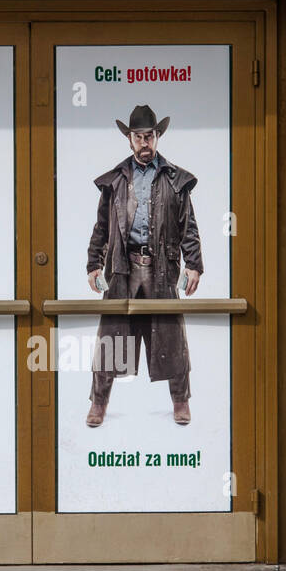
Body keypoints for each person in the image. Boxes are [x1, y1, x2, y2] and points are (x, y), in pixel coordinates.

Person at [85, 105, 203, 427]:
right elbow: (101, 226)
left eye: (149, 136)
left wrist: (193, 264)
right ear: (130, 139)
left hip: (161, 267)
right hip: (122, 268)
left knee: (171, 337)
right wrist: (94, 264)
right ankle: (99, 403)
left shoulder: (175, 180)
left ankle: (181, 401)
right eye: (138, 137)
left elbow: (187, 226)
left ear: (157, 136)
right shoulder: (115, 181)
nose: (144, 142)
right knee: (110, 338)